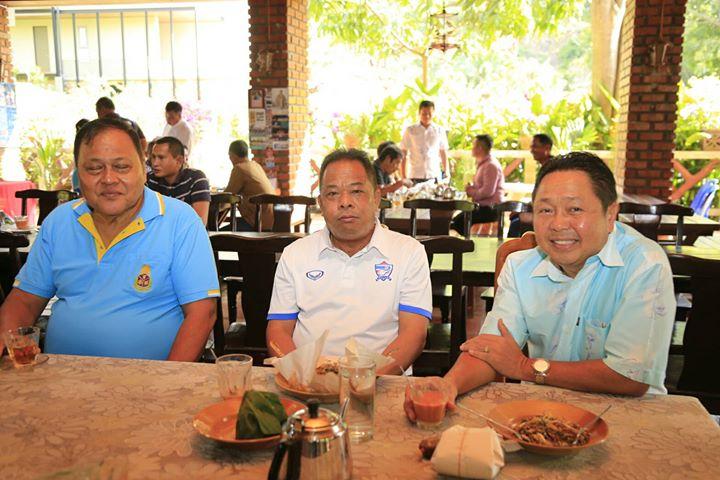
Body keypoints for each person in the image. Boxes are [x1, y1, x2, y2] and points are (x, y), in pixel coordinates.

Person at [405, 152, 675, 422]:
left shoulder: (643, 265)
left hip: (628, 419)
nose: (558, 224)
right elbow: (491, 349)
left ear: (610, 214)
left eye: (574, 209)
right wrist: (449, 385)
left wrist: (525, 367)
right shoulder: (521, 267)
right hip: (543, 418)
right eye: (546, 210)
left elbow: (631, 376)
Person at [0, 118, 219, 361]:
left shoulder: (180, 221)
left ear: (144, 170)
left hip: (151, 377)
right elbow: (24, 302)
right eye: (94, 168)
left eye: (122, 167)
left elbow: (203, 313)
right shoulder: (59, 222)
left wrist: (169, 377)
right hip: (61, 375)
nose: (108, 179)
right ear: (78, 174)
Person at [266, 148, 431, 374]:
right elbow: (278, 331)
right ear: (320, 203)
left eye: (356, 191)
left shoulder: (409, 253)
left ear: (376, 198)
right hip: (307, 381)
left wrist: (366, 380)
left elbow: (414, 334)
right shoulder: (295, 254)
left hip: (382, 380)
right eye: (332, 194)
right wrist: (304, 377)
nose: (345, 202)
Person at [146, 136, 211, 225]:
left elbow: (199, 224)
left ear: (179, 161)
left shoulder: (196, 179)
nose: (155, 163)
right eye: (153, 157)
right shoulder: (149, 179)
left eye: (161, 158)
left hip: (189, 233)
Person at [451, 135, 504, 236]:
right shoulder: (484, 164)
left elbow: (488, 192)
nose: (472, 148)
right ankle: (465, 241)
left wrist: (471, 192)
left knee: (457, 223)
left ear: (479, 148)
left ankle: (466, 243)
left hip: (490, 209)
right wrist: (472, 187)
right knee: (455, 221)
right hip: (483, 207)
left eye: (474, 146)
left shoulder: (490, 165)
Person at [508, 133, 554, 237]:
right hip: (541, 209)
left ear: (547, 148)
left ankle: (515, 247)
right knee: (516, 218)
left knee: (516, 223)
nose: (532, 150)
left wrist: (524, 209)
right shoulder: (546, 166)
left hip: (549, 211)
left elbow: (547, 197)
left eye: (535, 146)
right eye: (532, 147)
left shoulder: (552, 168)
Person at [223, 139, 275, 231]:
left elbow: (226, 197)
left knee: (216, 236)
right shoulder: (255, 165)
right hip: (270, 221)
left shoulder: (239, 169)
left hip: (256, 223)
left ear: (232, 156)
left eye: (229, 156)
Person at [400, 100, 449, 183]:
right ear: (419, 113)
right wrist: (404, 177)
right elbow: (403, 153)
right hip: (415, 175)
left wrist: (446, 173)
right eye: (424, 113)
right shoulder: (410, 130)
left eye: (430, 113)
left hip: (434, 175)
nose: (427, 116)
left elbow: (443, 152)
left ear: (434, 113)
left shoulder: (439, 130)